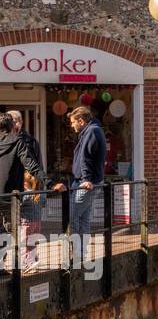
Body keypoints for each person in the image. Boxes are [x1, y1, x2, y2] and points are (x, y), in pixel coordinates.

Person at [64, 106, 105, 265]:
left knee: (72, 216)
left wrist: (86, 179)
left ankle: (75, 254)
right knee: (84, 219)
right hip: (88, 181)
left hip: (85, 183)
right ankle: (81, 254)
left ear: (81, 121)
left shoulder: (91, 131)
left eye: (73, 122)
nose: (72, 125)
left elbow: (86, 158)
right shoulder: (93, 130)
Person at [5, 111, 46, 271]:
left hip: (27, 187)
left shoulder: (29, 141)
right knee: (9, 228)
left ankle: (28, 259)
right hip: (9, 189)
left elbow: (35, 165)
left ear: (20, 122)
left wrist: (37, 188)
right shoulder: (5, 140)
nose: (13, 124)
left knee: (29, 226)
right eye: (10, 121)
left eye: (15, 121)